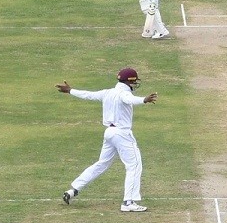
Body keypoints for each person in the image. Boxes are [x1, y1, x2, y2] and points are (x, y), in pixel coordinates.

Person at [57, 68, 158, 212]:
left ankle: (73, 190)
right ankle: (128, 202)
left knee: (102, 164)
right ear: (129, 81)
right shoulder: (124, 93)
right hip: (122, 133)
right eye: (134, 80)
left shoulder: (107, 92)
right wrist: (144, 100)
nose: (136, 83)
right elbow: (130, 100)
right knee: (134, 165)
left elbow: (88, 95)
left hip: (109, 132)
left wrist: (70, 90)